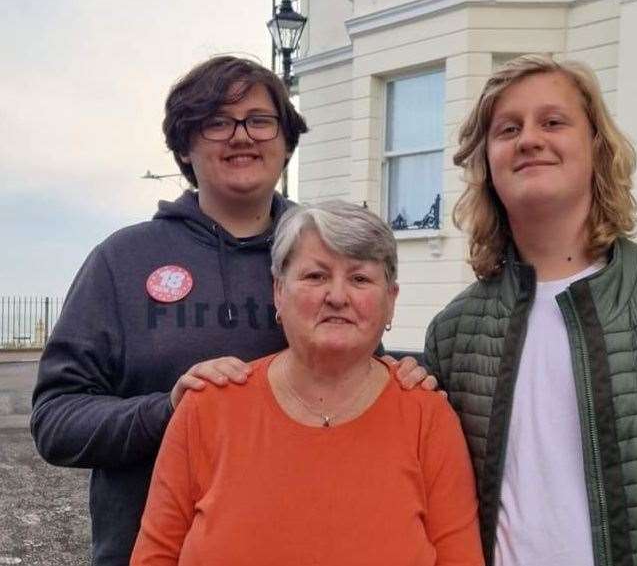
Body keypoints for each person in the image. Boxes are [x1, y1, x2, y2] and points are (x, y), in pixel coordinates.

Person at [30, 56, 430, 566]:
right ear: (184, 145)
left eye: (260, 120)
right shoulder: (122, 260)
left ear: (286, 142)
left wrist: (403, 374)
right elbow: (55, 420)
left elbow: (356, 377)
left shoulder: (326, 253)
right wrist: (169, 411)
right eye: (217, 122)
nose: (242, 136)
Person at [424, 54, 637, 566]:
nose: (529, 139)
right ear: (488, 164)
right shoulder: (454, 335)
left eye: (553, 122)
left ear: (596, 146)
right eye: (508, 129)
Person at [129, 200, 483, 565]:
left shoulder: (427, 418)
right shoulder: (206, 409)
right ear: (279, 293)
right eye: (316, 276)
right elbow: (154, 556)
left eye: (360, 278)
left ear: (390, 302)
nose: (337, 296)